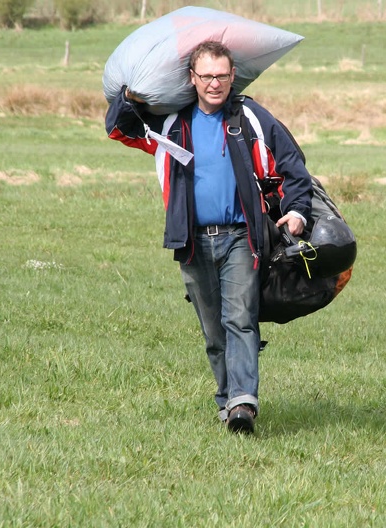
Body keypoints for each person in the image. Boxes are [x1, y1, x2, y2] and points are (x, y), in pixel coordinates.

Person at [105, 40, 313, 434]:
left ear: (233, 76)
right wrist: (130, 96)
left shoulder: (250, 117)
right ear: (192, 78)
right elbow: (120, 128)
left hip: (241, 237)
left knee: (240, 319)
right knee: (214, 331)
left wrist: (297, 211)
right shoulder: (171, 123)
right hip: (192, 241)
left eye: (222, 75)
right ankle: (227, 401)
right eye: (207, 76)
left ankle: (243, 405)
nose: (215, 83)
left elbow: (291, 163)